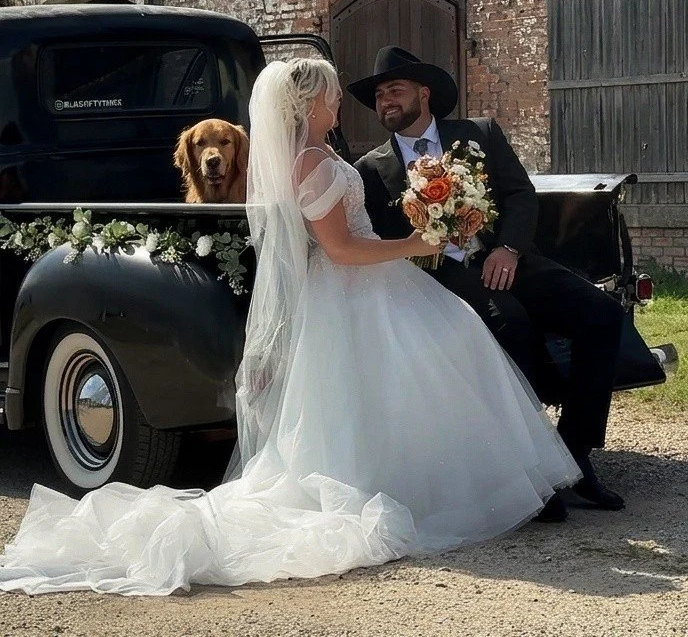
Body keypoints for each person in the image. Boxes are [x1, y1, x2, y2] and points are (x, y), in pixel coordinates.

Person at [0, 58, 579, 597]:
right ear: (309, 104)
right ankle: (434, 488)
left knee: (443, 348)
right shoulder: (311, 163)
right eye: (331, 95)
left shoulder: (321, 155)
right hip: (353, 289)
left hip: (370, 286)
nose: (339, 102)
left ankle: (448, 479)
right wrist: (417, 243)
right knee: (436, 351)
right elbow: (341, 249)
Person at [351, 46, 627, 520]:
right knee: (511, 325)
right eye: (378, 96)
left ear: (424, 93)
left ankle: (575, 454)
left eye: (394, 90)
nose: (385, 102)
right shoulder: (371, 169)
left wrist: (509, 248)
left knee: (602, 314)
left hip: (507, 258)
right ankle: (528, 472)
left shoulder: (478, 134)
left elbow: (520, 194)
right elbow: (380, 242)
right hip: (440, 276)